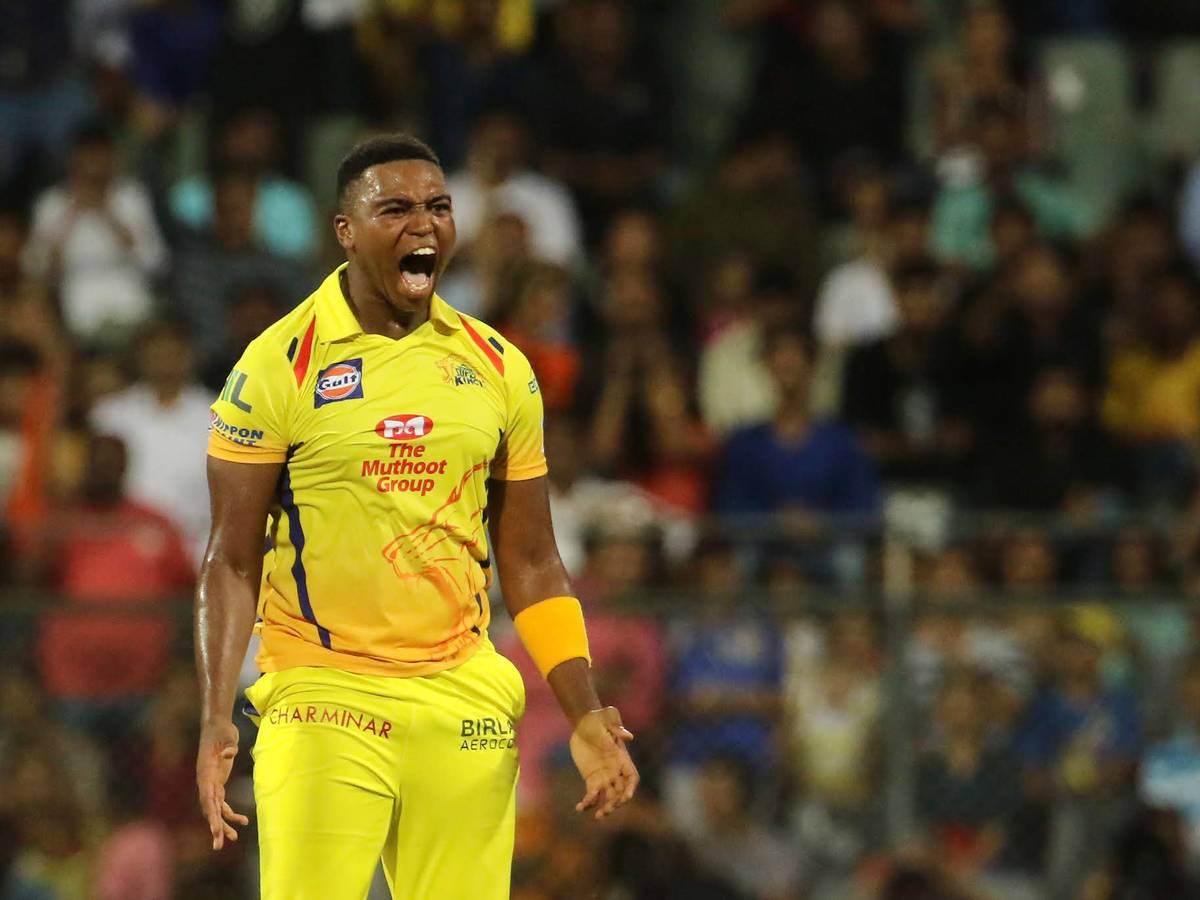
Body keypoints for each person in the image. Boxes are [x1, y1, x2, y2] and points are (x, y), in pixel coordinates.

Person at [195, 134, 639, 900]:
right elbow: (231, 559)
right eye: (395, 209)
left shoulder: (498, 367)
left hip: (463, 697)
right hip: (325, 693)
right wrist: (214, 715)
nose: (423, 224)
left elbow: (533, 562)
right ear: (346, 230)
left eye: (438, 206)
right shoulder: (277, 364)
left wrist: (586, 711)